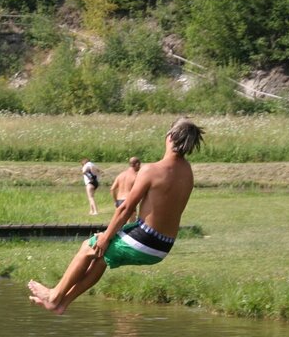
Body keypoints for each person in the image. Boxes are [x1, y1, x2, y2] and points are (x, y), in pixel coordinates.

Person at [29, 118, 205, 314]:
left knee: (89, 246)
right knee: (101, 259)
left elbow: (126, 209)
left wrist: (106, 237)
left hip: (145, 239)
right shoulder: (188, 172)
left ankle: (54, 296)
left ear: (170, 136)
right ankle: (62, 303)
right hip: (164, 245)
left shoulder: (151, 170)